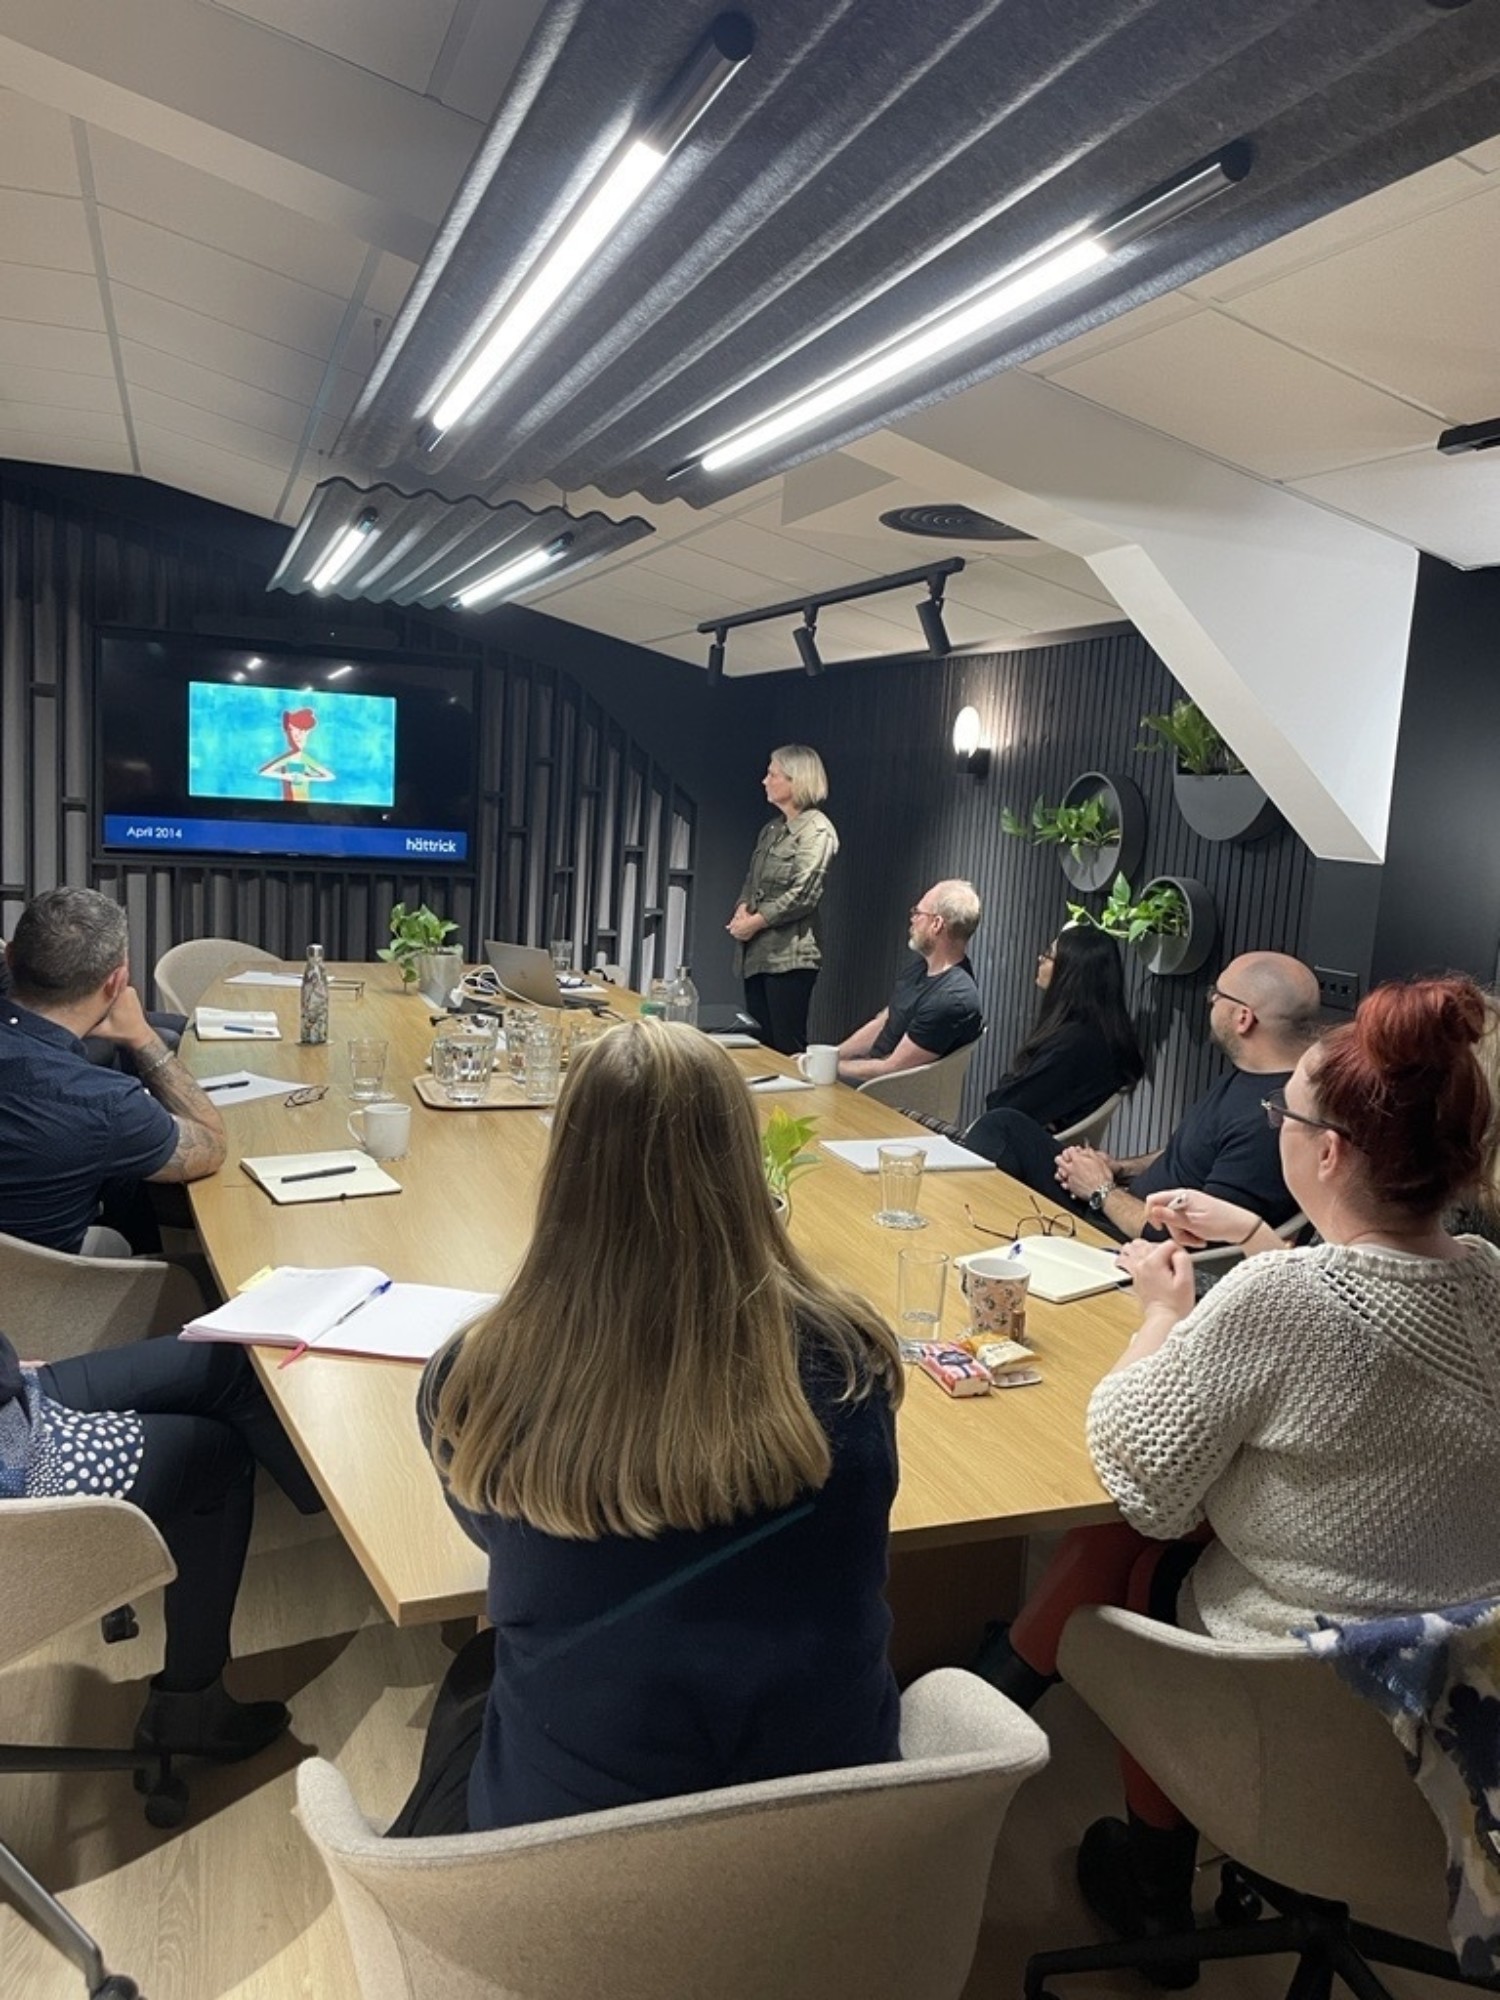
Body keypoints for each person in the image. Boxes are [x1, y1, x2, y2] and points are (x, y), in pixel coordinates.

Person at [979, 975, 1500, 1981]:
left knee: (1138, 1553)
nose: (1280, 1127)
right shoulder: (1485, 1277)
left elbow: (1139, 1469)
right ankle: (1037, 1725)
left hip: (1317, 1705)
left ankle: (1150, 1878)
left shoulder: (1278, 1297)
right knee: (1162, 1540)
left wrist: (1163, 1315)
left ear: (1329, 1151)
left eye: (1286, 1115)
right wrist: (1261, 1235)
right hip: (1465, 1696)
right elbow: (1374, 1310)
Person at [393, 1018, 904, 1837]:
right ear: (743, 1162)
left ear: (563, 1168)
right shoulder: (854, 1360)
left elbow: (501, 1537)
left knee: (468, 1685)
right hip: (830, 1846)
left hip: (582, 1867)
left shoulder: (471, 1382)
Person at [1, 1328, 324, 1762]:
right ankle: (190, 1710)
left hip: (15, 1402)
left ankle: (328, 1504)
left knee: (226, 1362)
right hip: (23, 1471)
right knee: (220, 1460)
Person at [963, 952, 1321, 1241]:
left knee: (998, 1139)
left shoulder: (1270, 1121)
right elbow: (1194, 1152)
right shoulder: (1250, 1076)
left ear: (1243, 1018)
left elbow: (1185, 1238)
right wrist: (1122, 1168)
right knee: (1004, 1128)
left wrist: (1101, 1190)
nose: (1210, 1001)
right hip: (1122, 1202)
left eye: (1217, 995)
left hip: (1129, 1243)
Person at [0, 887, 226, 1254]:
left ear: (11, 958)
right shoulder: (106, 1103)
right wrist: (141, 1037)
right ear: (117, 982)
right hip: (44, 1291)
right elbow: (212, 1144)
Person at [728, 745, 838, 1055]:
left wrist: (755, 923)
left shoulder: (817, 830)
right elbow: (752, 880)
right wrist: (741, 912)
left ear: (795, 780)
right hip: (757, 955)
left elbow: (804, 894)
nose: (765, 780)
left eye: (772, 774)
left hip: (789, 958)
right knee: (760, 1045)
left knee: (786, 1048)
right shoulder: (772, 829)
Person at [982, 926, 1145, 1130]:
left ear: (1070, 972)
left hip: (1030, 1153)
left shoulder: (1073, 1044)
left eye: (1049, 955)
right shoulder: (1100, 1035)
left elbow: (1002, 1105)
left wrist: (1010, 1081)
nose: (1040, 959)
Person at [836, 880, 983, 1084]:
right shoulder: (920, 969)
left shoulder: (952, 999)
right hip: (869, 1075)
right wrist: (831, 1055)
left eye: (918, 912)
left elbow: (892, 1069)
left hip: (883, 1093)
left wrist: (831, 1067)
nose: (912, 919)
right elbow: (883, 1022)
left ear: (937, 924)